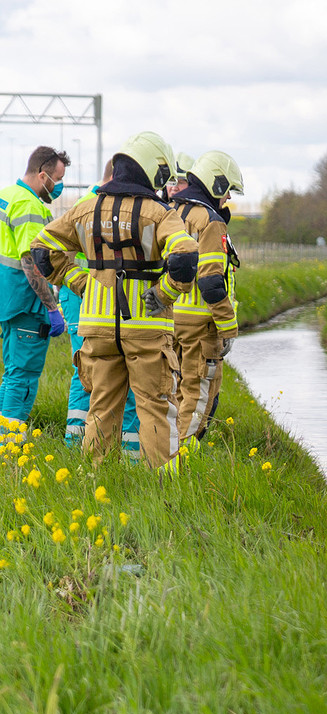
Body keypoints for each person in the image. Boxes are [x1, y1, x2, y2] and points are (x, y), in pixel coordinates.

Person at [31, 131, 199, 469]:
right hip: (147, 329)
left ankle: (98, 483)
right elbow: (185, 257)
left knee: (101, 406)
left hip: (97, 329)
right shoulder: (159, 212)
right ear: (155, 170)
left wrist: (79, 282)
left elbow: (42, 250)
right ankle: (166, 489)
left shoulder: (85, 209)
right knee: (154, 406)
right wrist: (163, 293)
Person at [61, 158, 141, 458]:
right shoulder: (100, 206)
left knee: (85, 367)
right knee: (97, 368)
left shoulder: (88, 203)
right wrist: (83, 283)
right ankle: (119, 446)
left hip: (85, 295)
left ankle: (77, 439)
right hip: (90, 296)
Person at [171, 151, 243, 446]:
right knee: (198, 397)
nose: (227, 198)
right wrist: (228, 328)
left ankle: (161, 457)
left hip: (169, 320)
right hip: (201, 326)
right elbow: (212, 281)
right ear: (215, 185)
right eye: (226, 191)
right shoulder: (210, 221)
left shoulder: (171, 211)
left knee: (172, 395)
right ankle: (178, 465)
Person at [0, 146, 70, 423]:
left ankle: (5, 434)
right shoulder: (30, 206)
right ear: (43, 176)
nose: (59, 186)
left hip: (7, 301)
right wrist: (52, 308)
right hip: (26, 302)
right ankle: (11, 441)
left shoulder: (7, 195)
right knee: (24, 376)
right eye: (58, 179)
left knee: (12, 373)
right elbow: (32, 262)